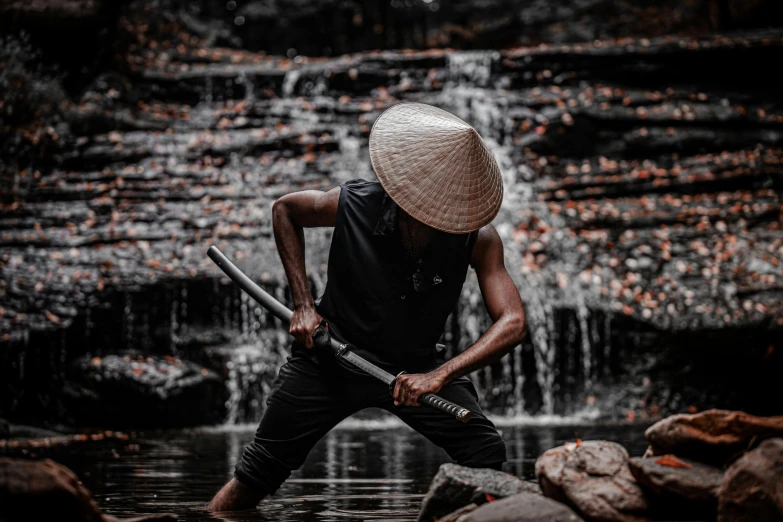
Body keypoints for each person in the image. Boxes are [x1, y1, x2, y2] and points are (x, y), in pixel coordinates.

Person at [208, 102, 527, 511]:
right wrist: (304, 305)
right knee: (256, 477)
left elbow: (514, 322)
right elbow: (285, 209)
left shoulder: (478, 238)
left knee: (486, 453)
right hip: (329, 358)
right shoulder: (355, 203)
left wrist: (439, 375)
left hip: (416, 368)